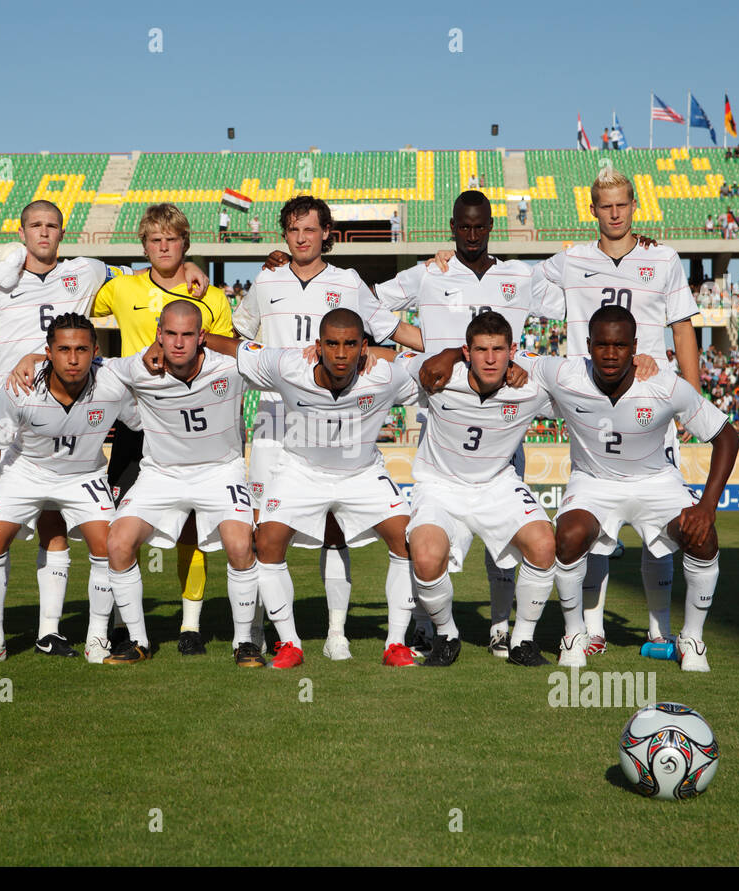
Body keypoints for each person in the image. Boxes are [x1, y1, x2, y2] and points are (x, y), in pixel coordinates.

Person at [0, 200, 201, 657]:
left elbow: (152, 271)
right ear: (21, 233)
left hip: (75, 412)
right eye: (35, 226)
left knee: (58, 528)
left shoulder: (87, 270)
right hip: (18, 412)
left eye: (52, 226)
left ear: (63, 232)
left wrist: (190, 265)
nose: (43, 233)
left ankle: (61, 632)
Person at [233, 194, 423, 658]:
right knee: (262, 529)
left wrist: (457, 344)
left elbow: (390, 330)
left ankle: (337, 632)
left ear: (326, 234)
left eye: (310, 230)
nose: (301, 238)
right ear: (285, 235)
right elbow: (241, 335)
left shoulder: (348, 281)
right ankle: (256, 634)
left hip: (331, 417)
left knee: (335, 523)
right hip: (276, 416)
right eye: (293, 230)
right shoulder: (267, 278)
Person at [527, 165, 703, 657]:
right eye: (605, 206)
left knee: (660, 520)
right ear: (592, 211)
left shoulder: (663, 258)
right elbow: (517, 287)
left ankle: (659, 631)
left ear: (634, 205)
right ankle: (593, 629)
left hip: (651, 402)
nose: (615, 213)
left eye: (622, 204)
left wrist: (689, 399)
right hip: (593, 401)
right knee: (594, 520)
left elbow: (683, 328)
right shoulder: (571, 260)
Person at [374, 190, 543, 655]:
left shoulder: (519, 275)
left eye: (480, 226)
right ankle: (431, 625)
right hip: (444, 420)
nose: (471, 235)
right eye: (463, 227)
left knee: (503, 538)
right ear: (452, 226)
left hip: (502, 426)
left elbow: (581, 297)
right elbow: (371, 306)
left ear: (492, 226)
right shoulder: (432, 272)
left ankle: (500, 625)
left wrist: (630, 245)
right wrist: (430, 347)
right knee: (433, 536)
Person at [530, 305, 738, 671]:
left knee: (702, 534)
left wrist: (707, 506)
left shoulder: (664, 385)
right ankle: (574, 634)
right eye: (602, 345)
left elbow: (725, 436)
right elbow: (505, 356)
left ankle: (692, 639)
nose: (610, 354)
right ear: (588, 346)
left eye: (621, 345)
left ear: (635, 347)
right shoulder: (564, 373)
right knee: (568, 535)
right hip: (593, 482)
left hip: (657, 483)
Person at [0, 315, 137, 664]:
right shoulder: (19, 388)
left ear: (95, 351)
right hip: (26, 470)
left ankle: (97, 638)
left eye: (80, 349)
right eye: (63, 350)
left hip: (83, 474)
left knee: (109, 545)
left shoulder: (113, 385)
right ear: (47, 353)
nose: (72, 359)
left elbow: (143, 423)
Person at [101, 300, 260, 665]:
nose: (177, 343)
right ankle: (138, 641)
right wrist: (29, 361)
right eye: (170, 334)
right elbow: (85, 365)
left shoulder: (231, 368)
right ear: (159, 335)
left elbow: (275, 359)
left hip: (220, 472)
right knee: (119, 541)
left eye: (188, 335)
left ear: (202, 336)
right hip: (161, 474)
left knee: (239, 545)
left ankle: (244, 642)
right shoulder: (138, 369)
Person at [407, 312, 555, 667]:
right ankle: (446, 634)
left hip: (497, 485)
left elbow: (586, 374)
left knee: (544, 542)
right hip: (440, 486)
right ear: (466, 352)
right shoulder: (438, 377)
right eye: (481, 350)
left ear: (512, 351)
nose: (490, 358)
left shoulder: (531, 388)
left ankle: (521, 641)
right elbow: (383, 362)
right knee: (426, 556)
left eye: (499, 350)